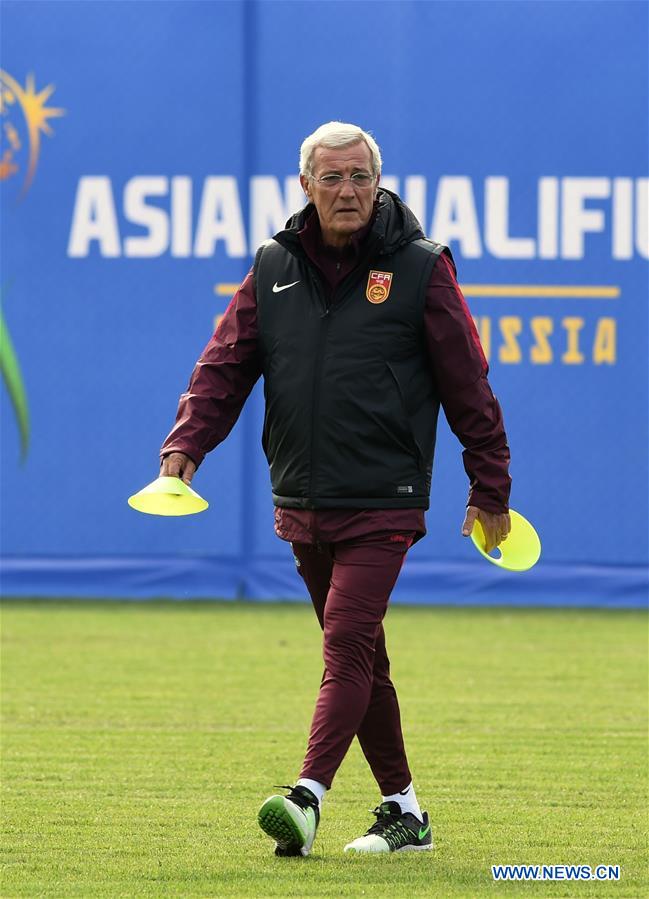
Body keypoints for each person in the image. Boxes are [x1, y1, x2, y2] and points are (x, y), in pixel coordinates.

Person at [160, 122, 511, 856]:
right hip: (302, 501)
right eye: (332, 178)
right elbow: (223, 367)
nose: (347, 190)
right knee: (364, 661)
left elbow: (467, 382)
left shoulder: (420, 267)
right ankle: (405, 812)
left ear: (377, 182)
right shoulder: (272, 267)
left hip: (385, 495)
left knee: (345, 646)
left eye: (359, 177)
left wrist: (490, 485)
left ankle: (305, 795)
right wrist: (185, 447)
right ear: (305, 186)